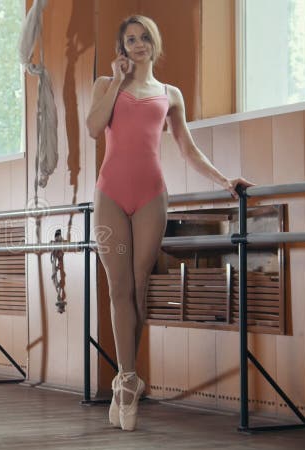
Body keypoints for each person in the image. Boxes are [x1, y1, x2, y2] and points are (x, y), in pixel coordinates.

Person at [86, 15, 253, 431]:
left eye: (144, 38)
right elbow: (93, 128)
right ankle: (127, 378)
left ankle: (128, 377)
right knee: (118, 286)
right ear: (121, 47)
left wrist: (225, 180)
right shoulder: (107, 87)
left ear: (154, 44)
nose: (138, 44)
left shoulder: (170, 94)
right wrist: (114, 80)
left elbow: (188, 150)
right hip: (110, 196)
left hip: (151, 198)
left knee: (139, 286)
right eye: (130, 39)